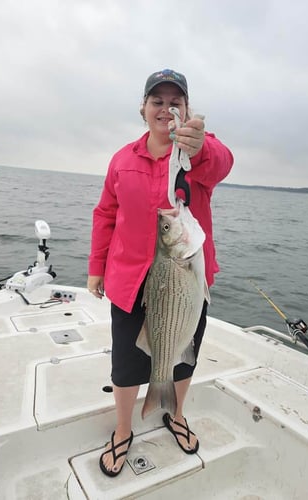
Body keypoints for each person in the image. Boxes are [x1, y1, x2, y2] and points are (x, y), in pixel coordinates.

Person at [87, 68, 233, 477]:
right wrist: (96, 269)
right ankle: (122, 429)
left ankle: (176, 413)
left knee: (182, 357)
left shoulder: (199, 153)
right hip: (129, 282)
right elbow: (105, 215)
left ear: (186, 109)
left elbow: (221, 164)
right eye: (158, 101)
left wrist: (201, 145)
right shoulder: (122, 159)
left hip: (185, 285)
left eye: (175, 102)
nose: (166, 109)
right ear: (143, 109)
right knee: (126, 363)